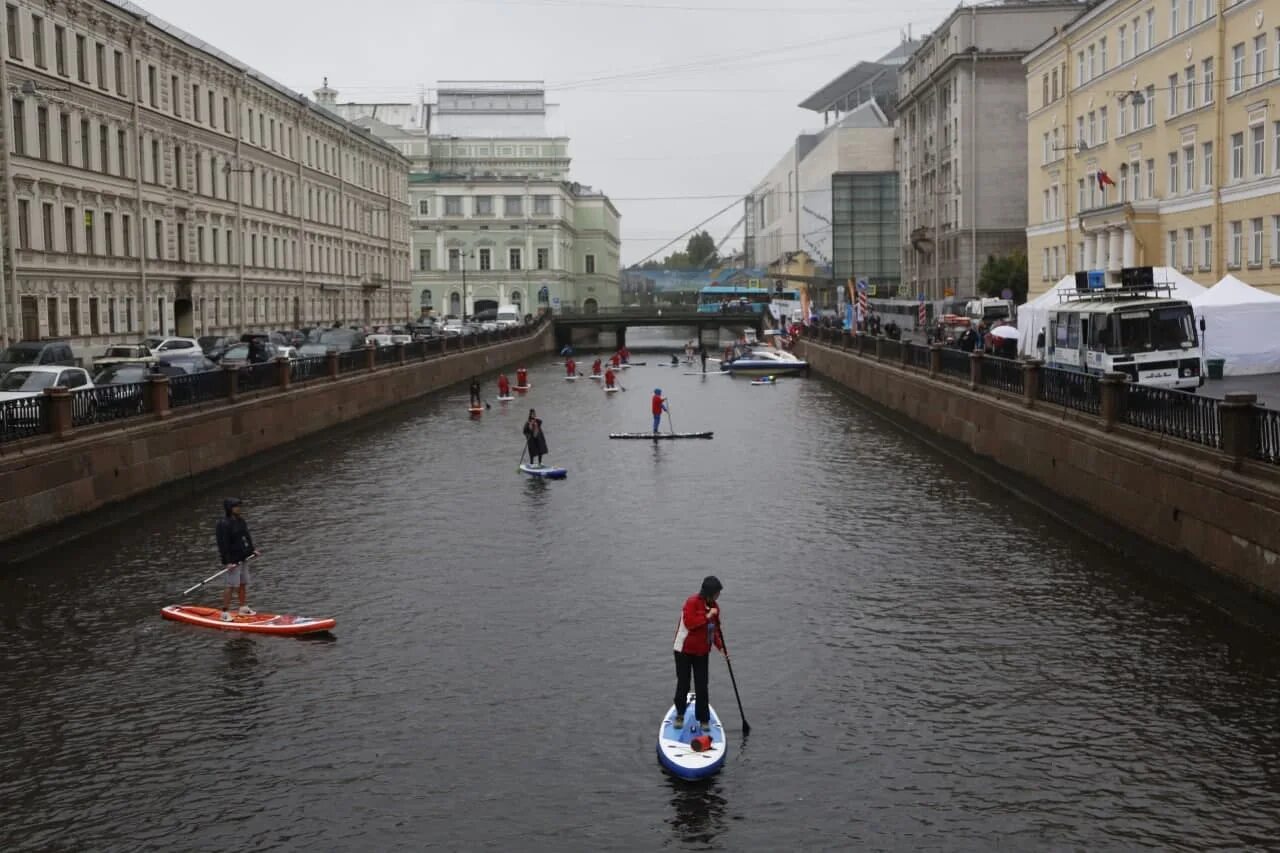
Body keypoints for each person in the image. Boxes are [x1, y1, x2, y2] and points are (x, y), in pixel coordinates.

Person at [671, 575, 726, 732]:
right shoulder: (692, 602)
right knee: (684, 683)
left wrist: (721, 648)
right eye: (717, 593)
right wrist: (707, 615)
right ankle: (680, 714)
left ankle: (703, 719)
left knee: (702, 686)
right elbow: (690, 623)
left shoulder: (714, 607)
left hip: (702, 652)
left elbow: (714, 630)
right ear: (709, 593)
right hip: (683, 651)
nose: (718, 596)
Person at [216, 498, 259, 622]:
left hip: (243, 556)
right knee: (231, 585)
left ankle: (242, 607)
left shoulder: (241, 521)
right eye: (236, 506)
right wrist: (227, 561)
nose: (239, 508)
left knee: (243, 582)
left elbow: (246, 536)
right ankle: (224, 612)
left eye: (239, 506)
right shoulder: (223, 524)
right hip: (232, 559)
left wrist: (252, 550)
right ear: (229, 508)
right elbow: (222, 544)